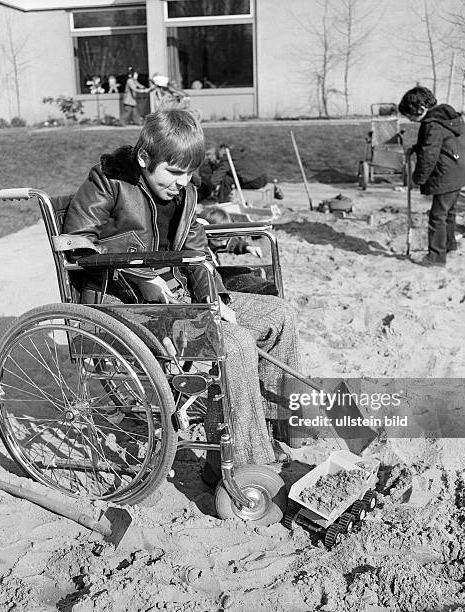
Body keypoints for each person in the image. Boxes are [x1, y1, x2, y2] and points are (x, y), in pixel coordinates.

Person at [62, 109, 301, 485]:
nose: (183, 182)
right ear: (144, 159)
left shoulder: (185, 193)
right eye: (174, 172)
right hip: (122, 302)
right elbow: (76, 245)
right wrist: (144, 275)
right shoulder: (109, 181)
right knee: (234, 342)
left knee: (279, 315)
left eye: (189, 172)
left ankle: (270, 430)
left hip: (177, 298)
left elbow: (196, 254)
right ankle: (245, 462)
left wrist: (215, 300)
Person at [398, 86, 465, 267]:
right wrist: (416, 148)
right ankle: (449, 246)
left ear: (420, 109)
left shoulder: (432, 125)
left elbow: (429, 155)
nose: (409, 119)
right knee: (449, 212)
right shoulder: (440, 119)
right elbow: (434, 144)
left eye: (410, 116)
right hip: (457, 172)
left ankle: (436, 257)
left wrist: (418, 178)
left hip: (446, 175)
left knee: (437, 215)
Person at [199, 145, 284, 203]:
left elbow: (214, 181)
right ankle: (274, 190)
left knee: (228, 179)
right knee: (234, 176)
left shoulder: (226, 160)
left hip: (254, 181)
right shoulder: (239, 154)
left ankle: (218, 200)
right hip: (264, 177)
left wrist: (209, 186)